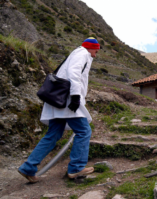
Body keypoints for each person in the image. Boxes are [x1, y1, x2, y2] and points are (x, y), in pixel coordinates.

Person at [18, 37, 100, 183]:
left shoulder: (75, 53)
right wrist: (75, 97)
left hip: (58, 100)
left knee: (53, 134)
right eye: (96, 50)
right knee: (84, 131)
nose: (96, 53)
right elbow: (74, 73)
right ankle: (76, 168)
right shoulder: (83, 54)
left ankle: (28, 168)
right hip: (67, 100)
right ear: (92, 48)